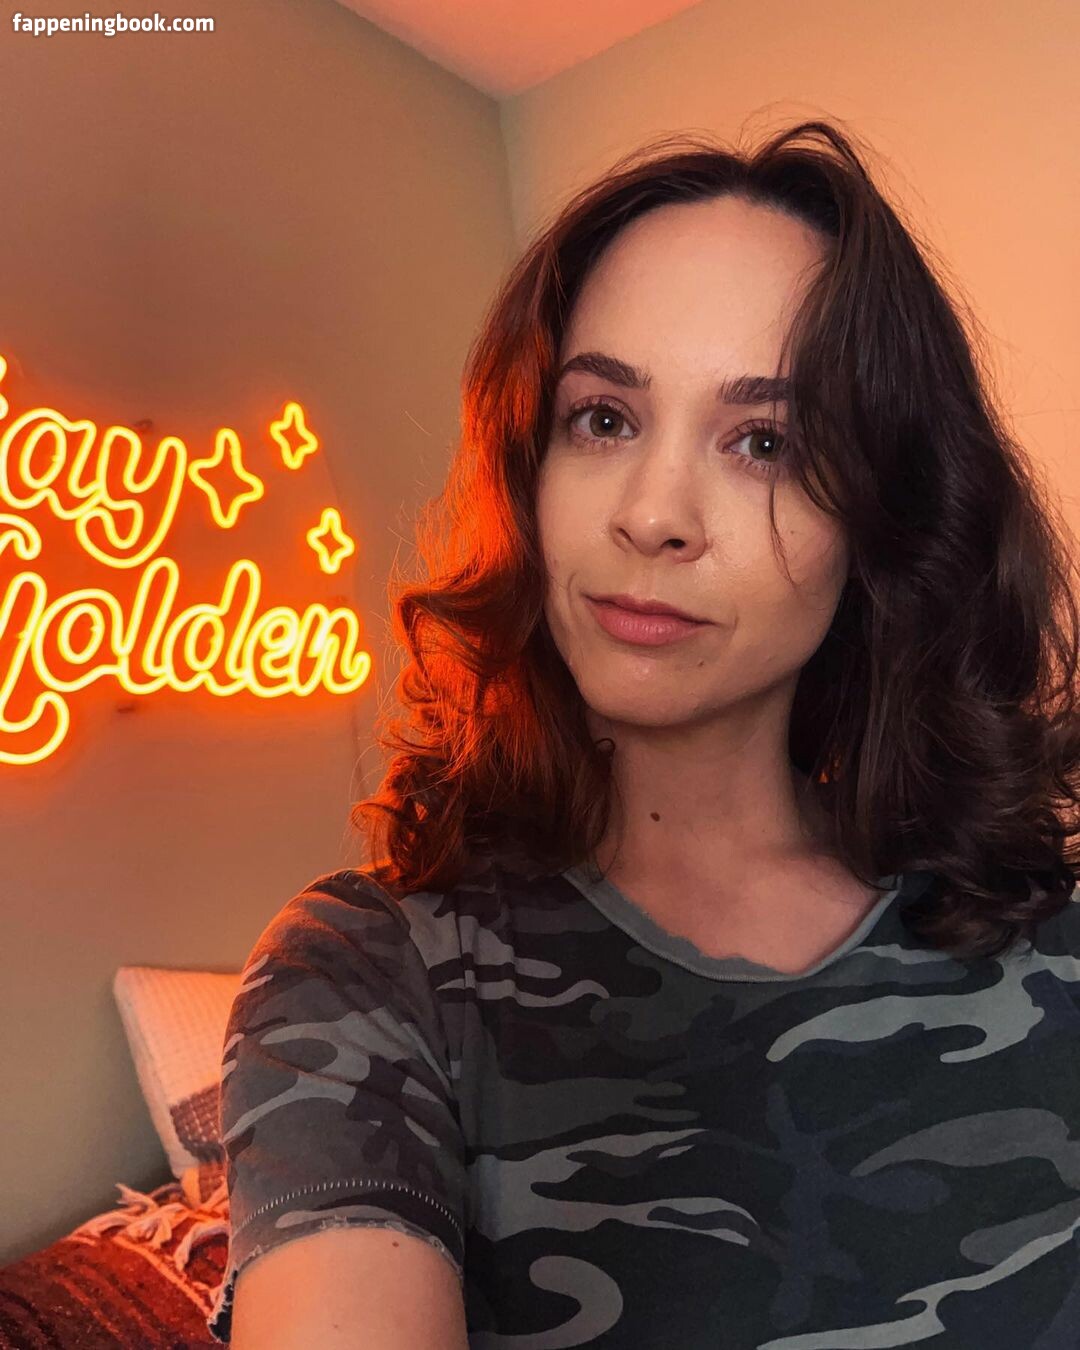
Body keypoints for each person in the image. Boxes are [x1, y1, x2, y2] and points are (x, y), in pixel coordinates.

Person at [207, 120, 1080, 1348]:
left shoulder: (1048, 949)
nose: (654, 514)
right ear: (530, 468)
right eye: (604, 419)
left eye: (766, 443)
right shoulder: (369, 975)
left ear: (883, 518)